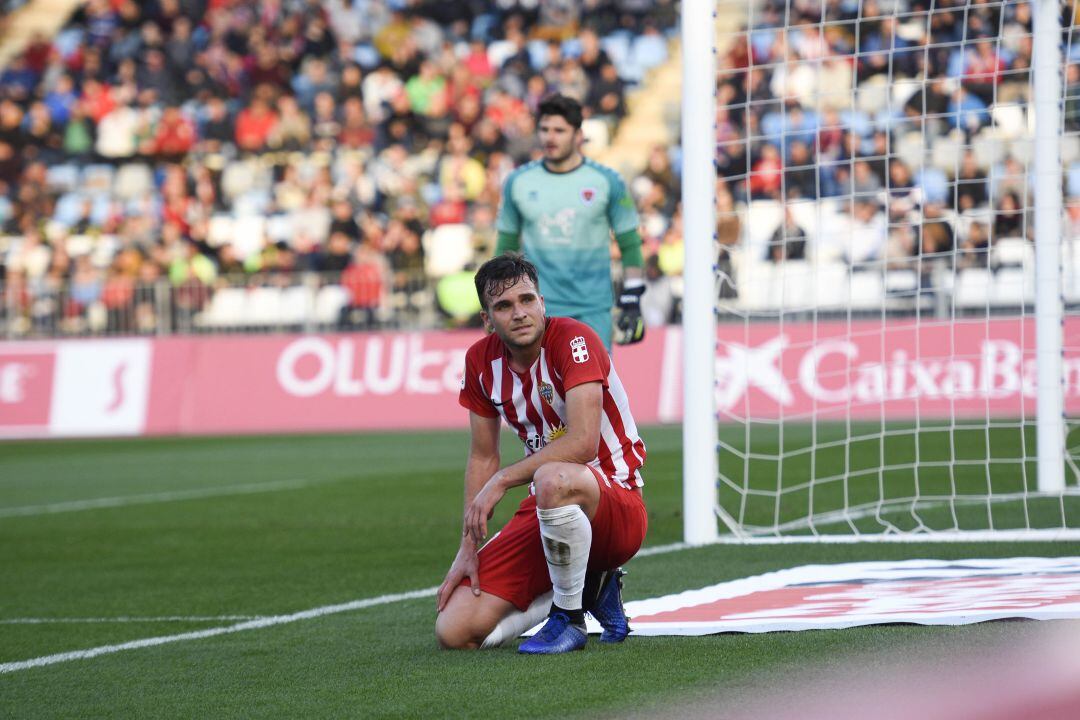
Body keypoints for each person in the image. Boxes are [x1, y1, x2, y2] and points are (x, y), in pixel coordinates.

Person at [435, 254, 648, 654]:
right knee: (455, 631)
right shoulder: (480, 363)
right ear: (487, 320)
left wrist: (502, 481)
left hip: (615, 503)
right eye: (503, 306)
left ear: (542, 303)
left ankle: (569, 619)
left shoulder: (574, 340)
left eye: (526, 300)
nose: (519, 313)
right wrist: (468, 547)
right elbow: (483, 457)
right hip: (551, 505)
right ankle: (587, 588)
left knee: (552, 476)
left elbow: (583, 444)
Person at [495, 94, 646, 350]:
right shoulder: (518, 182)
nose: (549, 137)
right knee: (542, 388)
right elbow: (506, 246)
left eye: (559, 130)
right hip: (537, 310)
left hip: (593, 309)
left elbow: (629, 243)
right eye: (544, 129)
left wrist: (632, 297)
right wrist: (497, 297)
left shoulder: (607, 181)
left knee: (591, 388)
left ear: (578, 135)